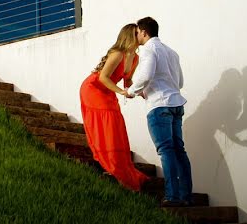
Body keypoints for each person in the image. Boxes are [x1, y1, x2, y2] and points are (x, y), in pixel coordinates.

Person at [126, 16, 193, 207]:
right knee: (179, 151)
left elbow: (145, 76)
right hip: (176, 104)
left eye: (137, 32)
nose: (136, 35)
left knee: (166, 151)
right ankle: (186, 196)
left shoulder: (148, 50)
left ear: (144, 32)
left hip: (159, 106)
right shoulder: (172, 52)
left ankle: (172, 197)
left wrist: (131, 91)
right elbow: (179, 83)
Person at [79, 23, 149, 191]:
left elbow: (128, 81)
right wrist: (121, 91)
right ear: (129, 35)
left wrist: (141, 93)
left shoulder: (136, 58)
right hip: (93, 89)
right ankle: (107, 163)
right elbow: (103, 77)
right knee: (108, 122)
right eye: (137, 32)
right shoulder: (118, 54)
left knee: (116, 122)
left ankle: (117, 163)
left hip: (108, 90)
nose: (141, 35)